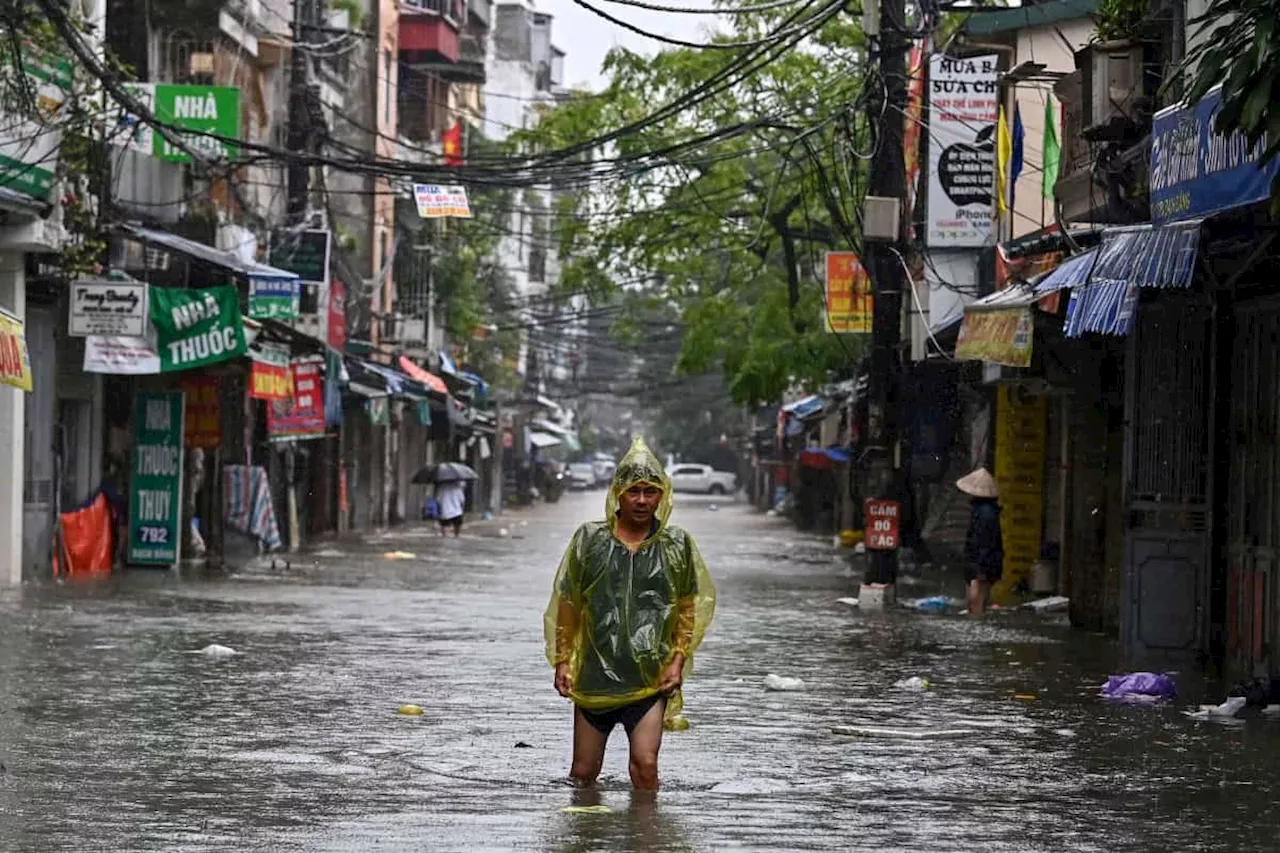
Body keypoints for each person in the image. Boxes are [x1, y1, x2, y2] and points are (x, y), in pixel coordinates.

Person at [545, 437, 716, 792]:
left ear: (662, 496)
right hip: (595, 676)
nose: (641, 500)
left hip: (650, 679)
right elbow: (568, 603)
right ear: (617, 493)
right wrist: (563, 661)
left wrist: (677, 660)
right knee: (583, 773)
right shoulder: (589, 540)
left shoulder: (676, 545)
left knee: (645, 766)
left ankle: (647, 838)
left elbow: (688, 608)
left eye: (650, 491)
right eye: (633, 491)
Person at [957, 466, 1002, 616]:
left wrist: (980, 568)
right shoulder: (985, 510)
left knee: (977, 600)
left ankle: (977, 619)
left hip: (982, 562)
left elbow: (984, 541)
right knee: (978, 598)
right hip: (983, 561)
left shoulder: (985, 513)